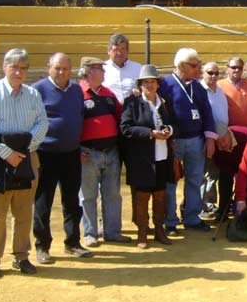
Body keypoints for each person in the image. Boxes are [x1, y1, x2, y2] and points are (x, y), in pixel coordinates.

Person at [0, 48, 48, 279]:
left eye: (23, 68)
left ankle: (21, 256)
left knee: (24, 210)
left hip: (26, 158)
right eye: (14, 67)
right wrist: (6, 152)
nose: (18, 72)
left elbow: (42, 123)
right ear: (5, 67)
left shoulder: (32, 95)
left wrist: (24, 150)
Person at [32, 53, 91, 264]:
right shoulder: (37, 90)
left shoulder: (76, 90)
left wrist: (80, 147)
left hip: (72, 153)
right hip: (45, 155)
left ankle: (73, 243)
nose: (61, 72)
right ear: (49, 67)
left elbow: (79, 118)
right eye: (57, 68)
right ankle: (42, 247)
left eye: (65, 69)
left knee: (72, 201)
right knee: (43, 202)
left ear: (71, 70)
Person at [159, 48, 217, 234]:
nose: (198, 69)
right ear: (181, 66)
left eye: (199, 65)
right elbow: (159, 114)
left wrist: (209, 138)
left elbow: (207, 112)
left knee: (195, 179)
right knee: (170, 181)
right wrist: (167, 138)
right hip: (174, 141)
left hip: (196, 140)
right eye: (195, 65)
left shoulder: (198, 87)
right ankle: (170, 220)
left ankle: (191, 217)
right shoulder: (165, 85)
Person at [120, 65, 175, 249]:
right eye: (146, 82)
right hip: (142, 159)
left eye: (153, 81)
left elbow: (173, 123)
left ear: (158, 84)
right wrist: (150, 133)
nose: (150, 85)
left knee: (160, 195)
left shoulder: (164, 103)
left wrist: (169, 131)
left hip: (162, 157)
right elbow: (126, 128)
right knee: (142, 196)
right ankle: (142, 232)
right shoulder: (132, 103)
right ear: (140, 85)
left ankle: (159, 230)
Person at [78, 56, 131, 246]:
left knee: (113, 194)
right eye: (100, 68)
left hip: (111, 152)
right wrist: (77, 150)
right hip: (88, 153)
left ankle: (112, 231)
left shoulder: (108, 94)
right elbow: (71, 125)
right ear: (89, 71)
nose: (104, 71)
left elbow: (120, 116)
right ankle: (90, 233)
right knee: (88, 195)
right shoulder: (78, 94)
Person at [200, 62, 230, 218]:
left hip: (221, 139)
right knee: (202, 174)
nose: (213, 76)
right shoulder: (198, 91)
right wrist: (209, 137)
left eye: (216, 73)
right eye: (210, 72)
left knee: (213, 174)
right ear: (202, 73)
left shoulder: (220, 91)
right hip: (205, 139)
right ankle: (200, 206)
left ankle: (209, 204)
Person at [103, 33, 142, 104]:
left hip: (133, 111)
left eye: (123, 49)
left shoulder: (138, 68)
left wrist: (140, 91)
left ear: (128, 51)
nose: (119, 53)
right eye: (116, 49)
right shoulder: (102, 68)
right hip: (109, 111)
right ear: (109, 51)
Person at [218, 56, 247, 128]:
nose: (237, 70)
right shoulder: (219, 85)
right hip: (229, 131)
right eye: (234, 67)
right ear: (227, 69)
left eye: (240, 68)